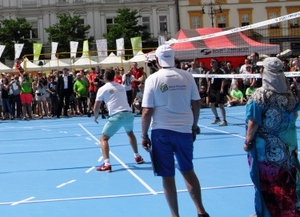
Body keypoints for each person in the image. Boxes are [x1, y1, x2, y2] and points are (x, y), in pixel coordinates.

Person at [141, 44, 209, 217]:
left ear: (157, 60)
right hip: (184, 130)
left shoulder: (153, 79)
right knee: (188, 170)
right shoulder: (187, 76)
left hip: (161, 132)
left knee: (167, 176)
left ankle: (175, 215)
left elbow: (147, 110)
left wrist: (143, 134)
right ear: (173, 58)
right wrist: (194, 126)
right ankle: (201, 211)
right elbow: (196, 103)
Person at [244, 57, 300, 217]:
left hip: (265, 151)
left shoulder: (260, 96)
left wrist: (248, 141)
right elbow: (294, 115)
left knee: (267, 182)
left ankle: (267, 213)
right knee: (288, 180)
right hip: (288, 148)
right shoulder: (289, 95)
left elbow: (253, 122)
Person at [93, 68, 144, 172]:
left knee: (104, 139)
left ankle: (107, 163)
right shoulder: (121, 87)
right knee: (130, 133)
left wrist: (95, 116)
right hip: (128, 114)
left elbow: (96, 106)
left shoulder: (102, 89)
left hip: (117, 116)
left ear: (104, 77)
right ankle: (137, 156)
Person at [207, 58, 228, 126]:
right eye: (211, 62)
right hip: (212, 89)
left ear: (216, 63)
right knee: (211, 104)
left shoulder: (220, 71)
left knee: (220, 104)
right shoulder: (210, 71)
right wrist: (208, 89)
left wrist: (222, 88)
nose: (211, 63)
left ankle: (224, 120)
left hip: (218, 89)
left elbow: (223, 80)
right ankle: (217, 117)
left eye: (213, 62)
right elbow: (209, 81)